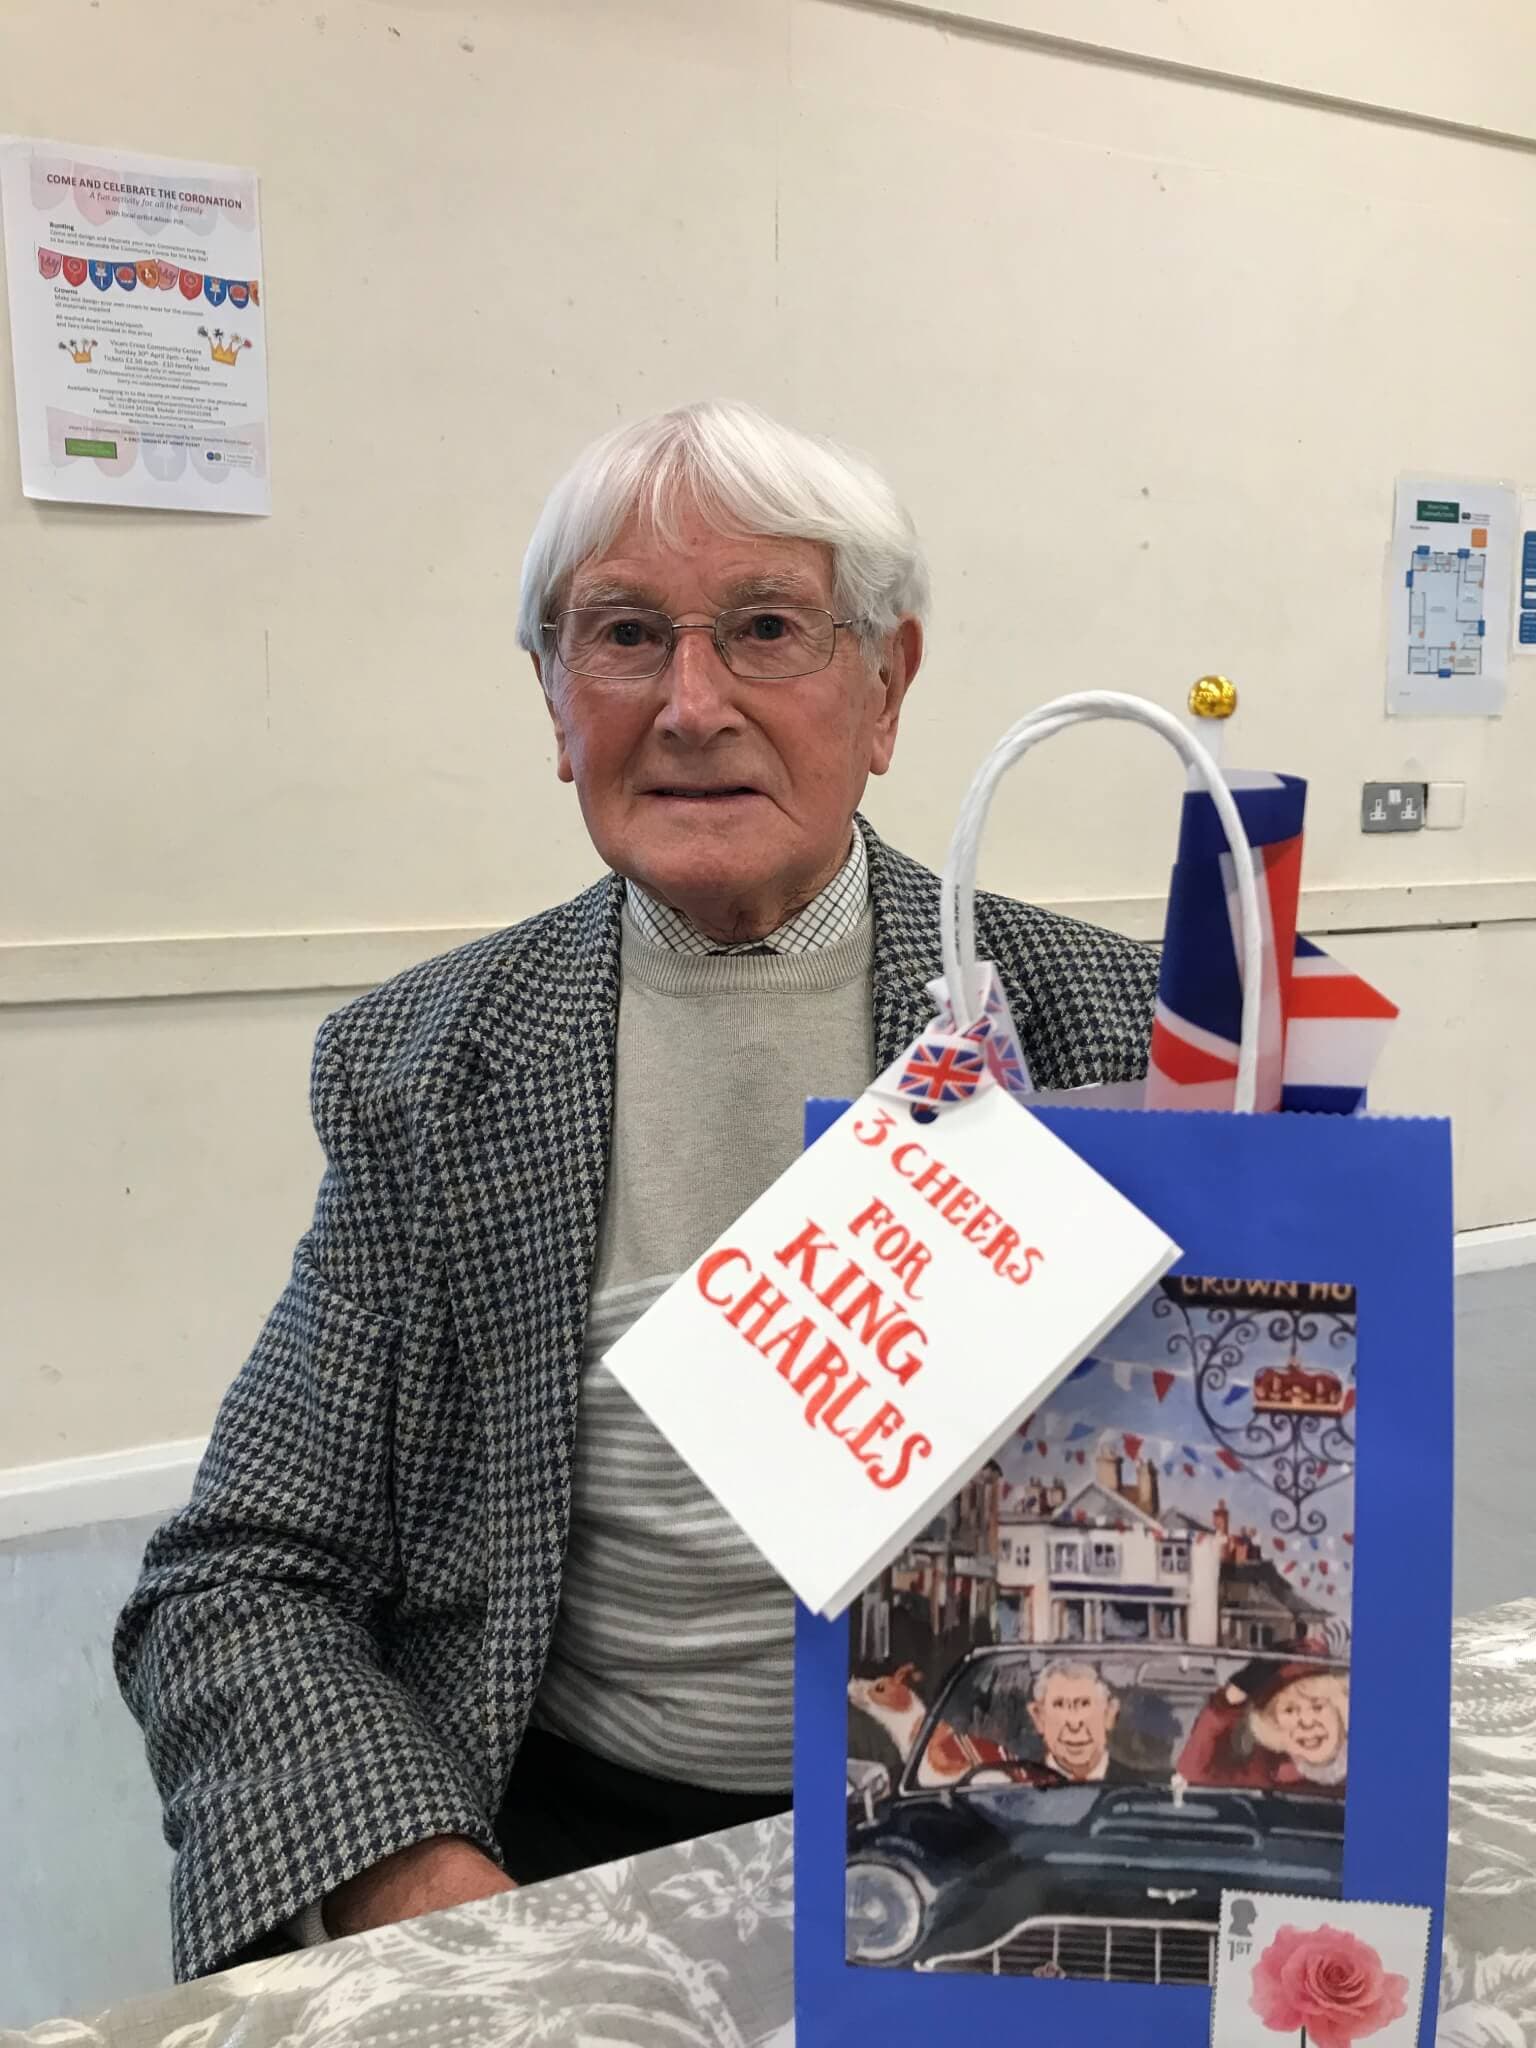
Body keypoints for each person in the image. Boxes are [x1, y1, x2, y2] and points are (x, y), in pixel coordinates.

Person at [113, 400, 1160, 1980]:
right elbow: (245, 1577)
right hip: (559, 1846)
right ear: (552, 701)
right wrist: (425, 1887)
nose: (691, 705)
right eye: (621, 636)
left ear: (887, 687)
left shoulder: (1111, 1035)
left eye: (765, 630)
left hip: (1011, 1840)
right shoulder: (427, 1070)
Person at [1177, 1657, 1348, 1795]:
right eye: (1289, 1710)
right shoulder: (1263, 1774)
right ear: (1274, 1726)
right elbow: (1193, 1774)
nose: (1307, 1722)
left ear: (1340, 1711)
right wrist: (1231, 1698)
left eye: (1318, 1706)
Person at [1027, 1660, 1142, 1785]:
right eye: (1059, 1704)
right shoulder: (1016, 1789)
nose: (1074, 1723)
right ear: (1038, 1716)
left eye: (1085, 1704)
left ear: (1109, 1713)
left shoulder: (1142, 1789)